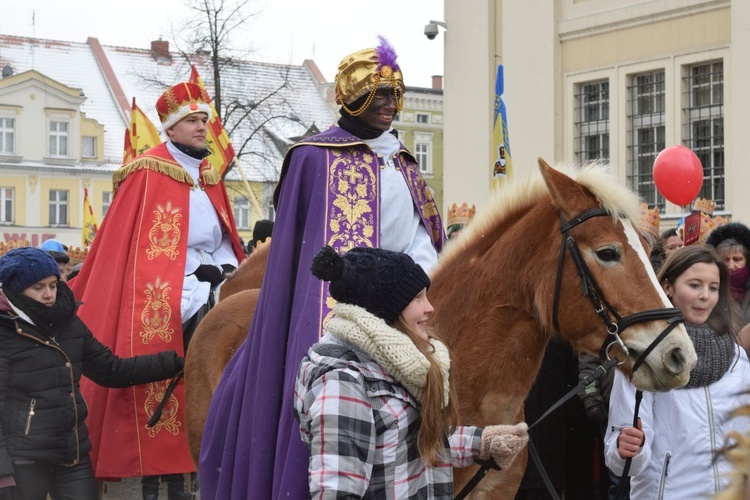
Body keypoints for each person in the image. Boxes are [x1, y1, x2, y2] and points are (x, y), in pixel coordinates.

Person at [199, 37, 445, 499]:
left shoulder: (406, 164)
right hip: (333, 308)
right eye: (379, 96)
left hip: (403, 301)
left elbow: (421, 234)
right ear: (353, 99)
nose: (390, 106)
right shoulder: (313, 157)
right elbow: (301, 251)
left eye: (395, 96)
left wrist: (415, 282)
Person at [69, 82, 245, 499]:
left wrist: (226, 267)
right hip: (167, 285)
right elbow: (149, 249)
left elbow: (224, 236)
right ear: (171, 127)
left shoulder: (209, 175)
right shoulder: (148, 170)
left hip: (212, 274)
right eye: (193, 121)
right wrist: (195, 273)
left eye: (204, 119)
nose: (203, 127)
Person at [295, 245, 528, 498]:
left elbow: (409, 442)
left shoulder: (395, 363)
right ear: (384, 311)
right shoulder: (343, 384)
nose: (430, 308)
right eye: (418, 298)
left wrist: (482, 443)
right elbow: (337, 493)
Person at [0, 247, 184, 500]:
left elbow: (112, 370)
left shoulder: (68, 321)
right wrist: (3, 472)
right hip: (24, 461)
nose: (48, 295)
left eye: (53, 285)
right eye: (38, 287)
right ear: (15, 289)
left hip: (72, 454)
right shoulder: (4, 331)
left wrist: (176, 363)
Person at [605, 245, 750, 498]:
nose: (705, 296)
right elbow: (623, 460)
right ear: (668, 287)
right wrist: (626, 448)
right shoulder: (643, 355)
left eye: (713, 288)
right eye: (695, 285)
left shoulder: (736, 355)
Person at [707, 222, 750, 325]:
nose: (731, 266)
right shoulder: (709, 292)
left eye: (737, 259)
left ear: (747, 261)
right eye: (725, 260)